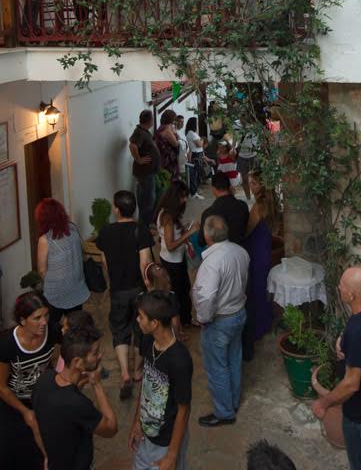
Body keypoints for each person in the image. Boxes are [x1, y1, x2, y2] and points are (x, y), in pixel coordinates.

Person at [311, 267, 361, 470]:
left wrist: (323, 403)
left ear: (352, 295)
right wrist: (343, 340)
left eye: (342, 285)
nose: (339, 287)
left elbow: (351, 384)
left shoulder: (358, 332)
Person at [33, 325, 118, 470]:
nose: (100, 355)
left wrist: (47, 456)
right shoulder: (78, 404)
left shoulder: (45, 380)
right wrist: (97, 384)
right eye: (95, 353)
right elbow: (111, 428)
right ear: (77, 362)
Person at [95, 190, 154, 399]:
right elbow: (145, 262)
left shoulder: (105, 231)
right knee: (140, 330)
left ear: (117, 209)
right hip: (138, 289)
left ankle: (125, 374)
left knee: (120, 331)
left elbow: (104, 262)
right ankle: (138, 371)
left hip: (118, 290)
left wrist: (110, 283)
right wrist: (149, 288)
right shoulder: (140, 229)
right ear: (134, 208)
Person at [192, 215, 250, 426]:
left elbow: (207, 297)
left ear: (207, 236)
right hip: (239, 313)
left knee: (217, 367)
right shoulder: (240, 252)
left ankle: (224, 413)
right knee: (234, 359)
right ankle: (233, 402)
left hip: (220, 321)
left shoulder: (211, 263)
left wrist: (203, 318)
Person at [130, 291, 193, 470]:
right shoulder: (148, 341)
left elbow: (183, 410)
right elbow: (146, 384)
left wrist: (172, 455)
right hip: (146, 435)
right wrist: (137, 422)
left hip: (166, 442)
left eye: (141, 317)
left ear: (154, 323)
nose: (137, 320)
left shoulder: (180, 360)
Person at [0, 292, 60, 469]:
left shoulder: (53, 331)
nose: (44, 322)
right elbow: (2, 387)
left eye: (46, 315)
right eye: (37, 318)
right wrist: (25, 411)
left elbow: (58, 360)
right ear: (22, 320)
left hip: (42, 396)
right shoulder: (7, 344)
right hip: (14, 401)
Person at [35, 197, 89, 324]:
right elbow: (81, 252)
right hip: (76, 285)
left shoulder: (45, 240)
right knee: (76, 321)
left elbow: (42, 270)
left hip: (56, 291)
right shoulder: (72, 228)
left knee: (54, 324)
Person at [155, 180, 199, 329]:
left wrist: (183, 230)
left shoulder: (166, 212)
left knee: (183, 290)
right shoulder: (167, 217)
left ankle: (184, 320)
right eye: (182, 196)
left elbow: (166, 237)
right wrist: (189, 233)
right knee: (179, 293)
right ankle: (181, 323)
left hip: (173, 259)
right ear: (174, 196)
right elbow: (170, 246)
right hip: (172, 262)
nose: (185, 200)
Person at [243, 168, 276, 343]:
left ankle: (258, 325)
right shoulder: (270, 202)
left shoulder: (259, 206)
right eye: (250, 183)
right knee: (262, 286)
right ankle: (265, 320)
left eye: (254, 183)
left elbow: (248, 230)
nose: (251, 186)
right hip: (264, 247)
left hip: (256, 249)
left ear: (262, 184)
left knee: (256, 289)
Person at [197, 171, 249, 248]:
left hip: (220, 252)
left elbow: (201, 242)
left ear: (213, 189)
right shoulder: (243, 205)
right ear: (229, 187)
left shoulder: (208, 213)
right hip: (241, 249)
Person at [129, 108, 161, 226]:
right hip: (145, 172)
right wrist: (139, 159)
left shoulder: (143, 131)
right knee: (147, 200)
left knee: (147, 199)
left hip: (148, 172)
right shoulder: (140, 132)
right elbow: (132, 145)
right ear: (150, 120)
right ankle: (144, 226)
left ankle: (145, 224)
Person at [185, 116, 211, 199]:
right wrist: (202, 140)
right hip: (196, 155)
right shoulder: (191, 133)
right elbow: (199, 144)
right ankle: (194, 192)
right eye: (196, 123)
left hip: (198, 154)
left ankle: (195, 190)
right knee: (195, 174)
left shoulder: (193, 133)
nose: (197, 124)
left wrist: (200, 141)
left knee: (197, 173)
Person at [155, 110, 181, 184]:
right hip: (168, 159)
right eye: (174, 119)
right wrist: (175, 132)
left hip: (162, 156)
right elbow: (175, 143)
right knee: (170, 180)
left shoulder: (160, 127)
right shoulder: (167, 129)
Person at [236, 129, 259, 201]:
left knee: (256, 178)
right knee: (244, 179)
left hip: (254, 155)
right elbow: (235, 137)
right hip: (242, 156)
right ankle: (248, 198)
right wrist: (233, 148)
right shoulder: (237, 125)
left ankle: (257, 197)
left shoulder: (255, 125)